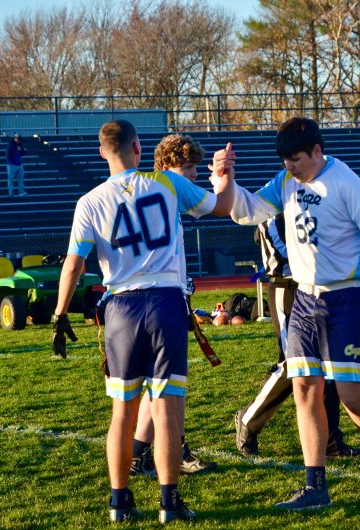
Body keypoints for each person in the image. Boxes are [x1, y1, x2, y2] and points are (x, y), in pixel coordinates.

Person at [216, 117, 360, 520]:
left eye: (296, 159)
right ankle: (314, 485)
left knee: (352, 396)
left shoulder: (346, 182)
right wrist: (225, 179)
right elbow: (247, 211)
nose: (290, 167)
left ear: (317, 151)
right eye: (285, 160)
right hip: (305, 298)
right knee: (304, 386)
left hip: (349, 297)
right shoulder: (286, 180)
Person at [51, 120, 234, 523]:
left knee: (123, 411)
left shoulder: (89, 201)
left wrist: (60, 314)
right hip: (166, 301)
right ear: (138, 147)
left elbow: (74, 264)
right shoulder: (166, 183)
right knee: (168, 409)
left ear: (102, 152)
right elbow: (222, 206)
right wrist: (223, 175)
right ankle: (169, 503)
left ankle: (119, 502)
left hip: (120, 308)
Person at [234, 213, 360, 459]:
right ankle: (249, 418)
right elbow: (277, 250)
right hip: (287, 287)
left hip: (316, 288)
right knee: (293, 364)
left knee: (325, 364)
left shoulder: (309, 194)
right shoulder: (274, 196)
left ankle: (328, 440)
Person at [130, 134, 218, 478]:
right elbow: (220, 206)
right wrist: (223, 179)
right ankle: (174, 450)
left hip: (144, 300)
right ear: (166, 168)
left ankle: (139, 453)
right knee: (169, 384)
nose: (194, 173)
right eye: (188, 167)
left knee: (157, 383)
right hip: (159, 301)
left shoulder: (147, 192)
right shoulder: (167, 191)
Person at [6, 132, 27, 197]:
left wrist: (21, 150)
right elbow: (8, 155)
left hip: (19, 164)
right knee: (11, 179)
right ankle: (11, 193)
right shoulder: (10, 145)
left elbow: (23, 153)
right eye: (17, 139)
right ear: (14, 138)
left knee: (20, 179)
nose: (18, 140)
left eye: (19, 139)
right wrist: (12, 161)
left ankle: (21, 192)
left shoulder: (20, 144)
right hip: (12, 165)